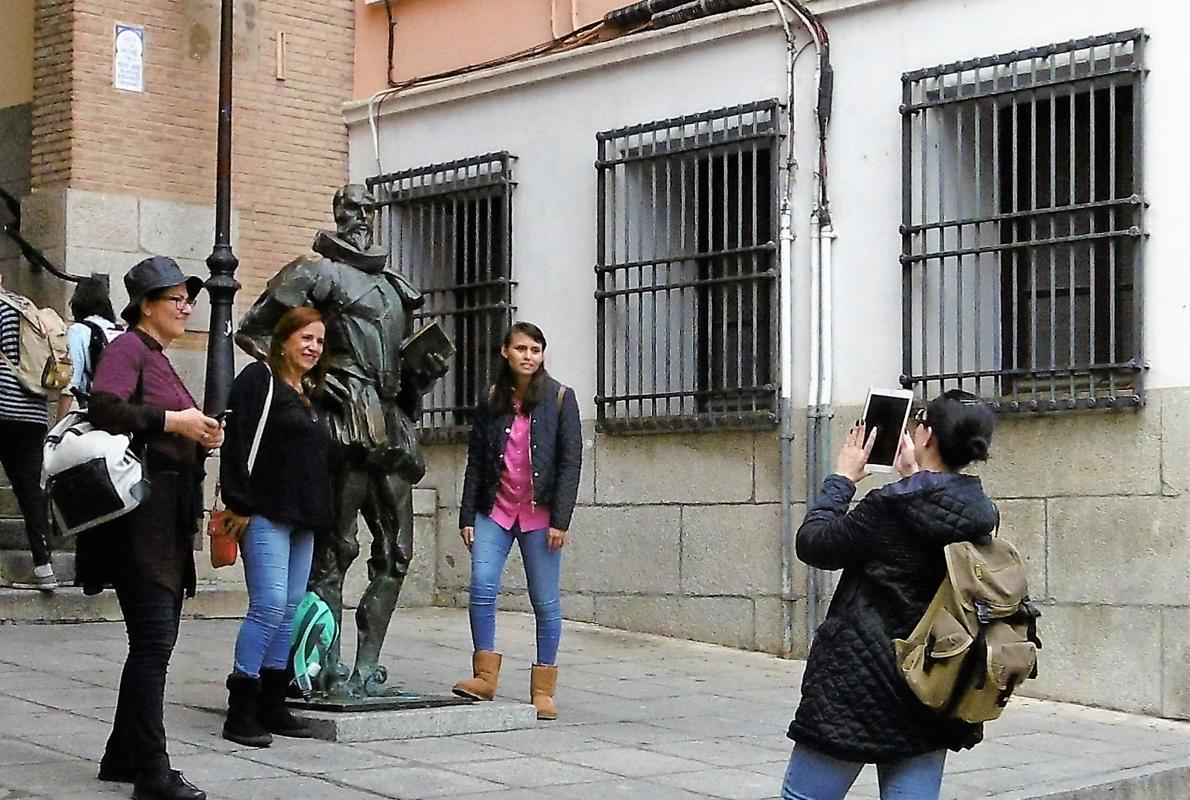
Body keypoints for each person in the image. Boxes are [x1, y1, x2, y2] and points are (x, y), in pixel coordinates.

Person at [235, 183, 449, 698]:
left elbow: (397, 360)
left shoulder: (396, 286)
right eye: (352, 208)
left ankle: (366, 668)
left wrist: (424, 372)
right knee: (335, 549)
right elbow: (253, 330)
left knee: (397, 552)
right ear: (336, 211)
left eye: (369, 209)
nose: (362, 217)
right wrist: (313, 378)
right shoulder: (316, 272)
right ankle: (321, 666)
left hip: (392, 421)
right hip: (343, 420)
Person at [781, 389, 999, 800]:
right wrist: (913, 480)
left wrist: (842, 479)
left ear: (926, 436)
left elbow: (814, 543)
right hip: (933, 683)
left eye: (917, 422)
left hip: (857, 686)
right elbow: (926, 524)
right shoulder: (980, 511)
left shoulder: (886, 509)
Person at [79, 255, 220, 800]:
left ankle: (121, 754)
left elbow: (164, 428)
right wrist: (173, 422)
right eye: (175, 298)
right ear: (145, 305)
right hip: (141, 527)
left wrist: (199, 435)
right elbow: (104, 406)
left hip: (164, 522)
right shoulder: (127, 348)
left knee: (149, 642)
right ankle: (153, 775)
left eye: (189, 297)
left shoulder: (154, 355)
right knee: (154, 643)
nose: (186, 306)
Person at [454, 322, 582, 720]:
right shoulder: (491, 398)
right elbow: (476, 458)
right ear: (505, 353)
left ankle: (543, 689)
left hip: (540, 515)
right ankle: (484, 677)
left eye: (536, 349)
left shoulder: (561, 398)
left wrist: (560, 520)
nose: (529, 356)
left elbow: (570, 462)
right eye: (522, 348)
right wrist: (466, 514)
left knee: (544, 600)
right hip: (495, 509)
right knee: (481, 585)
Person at [219, 307, 331, 747]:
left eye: (320, 342)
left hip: (303, 518)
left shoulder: (307, 393)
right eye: (305, 338)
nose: (313, 348)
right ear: (283, 339)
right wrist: (238, 502)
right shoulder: (258, 380)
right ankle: (240, 709)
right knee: (267, 607)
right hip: (264, 512)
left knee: (288, 610)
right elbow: (237, 441)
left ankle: (272, 703)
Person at [0, 278, 56, 591]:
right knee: (31, 490)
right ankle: (44, 565)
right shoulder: (28, 309)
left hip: (2, 403)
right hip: (33, 412)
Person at [59, 275, 122, 416]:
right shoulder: (120, 332)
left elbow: (71, 380)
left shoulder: (79, 330)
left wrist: (58, 425)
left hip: (94, 410)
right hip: (124, 411)